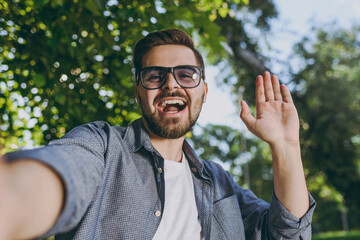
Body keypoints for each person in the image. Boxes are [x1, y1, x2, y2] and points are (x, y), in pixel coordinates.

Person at [0, 29, 315, 240]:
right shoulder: (101, 146)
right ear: (138, 92)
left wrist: (286, 146)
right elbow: (53, 176)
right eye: (155, 75)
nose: (171, 84)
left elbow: (289, 234)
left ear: (203, 91)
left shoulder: (220, 184)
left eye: (185, 74)